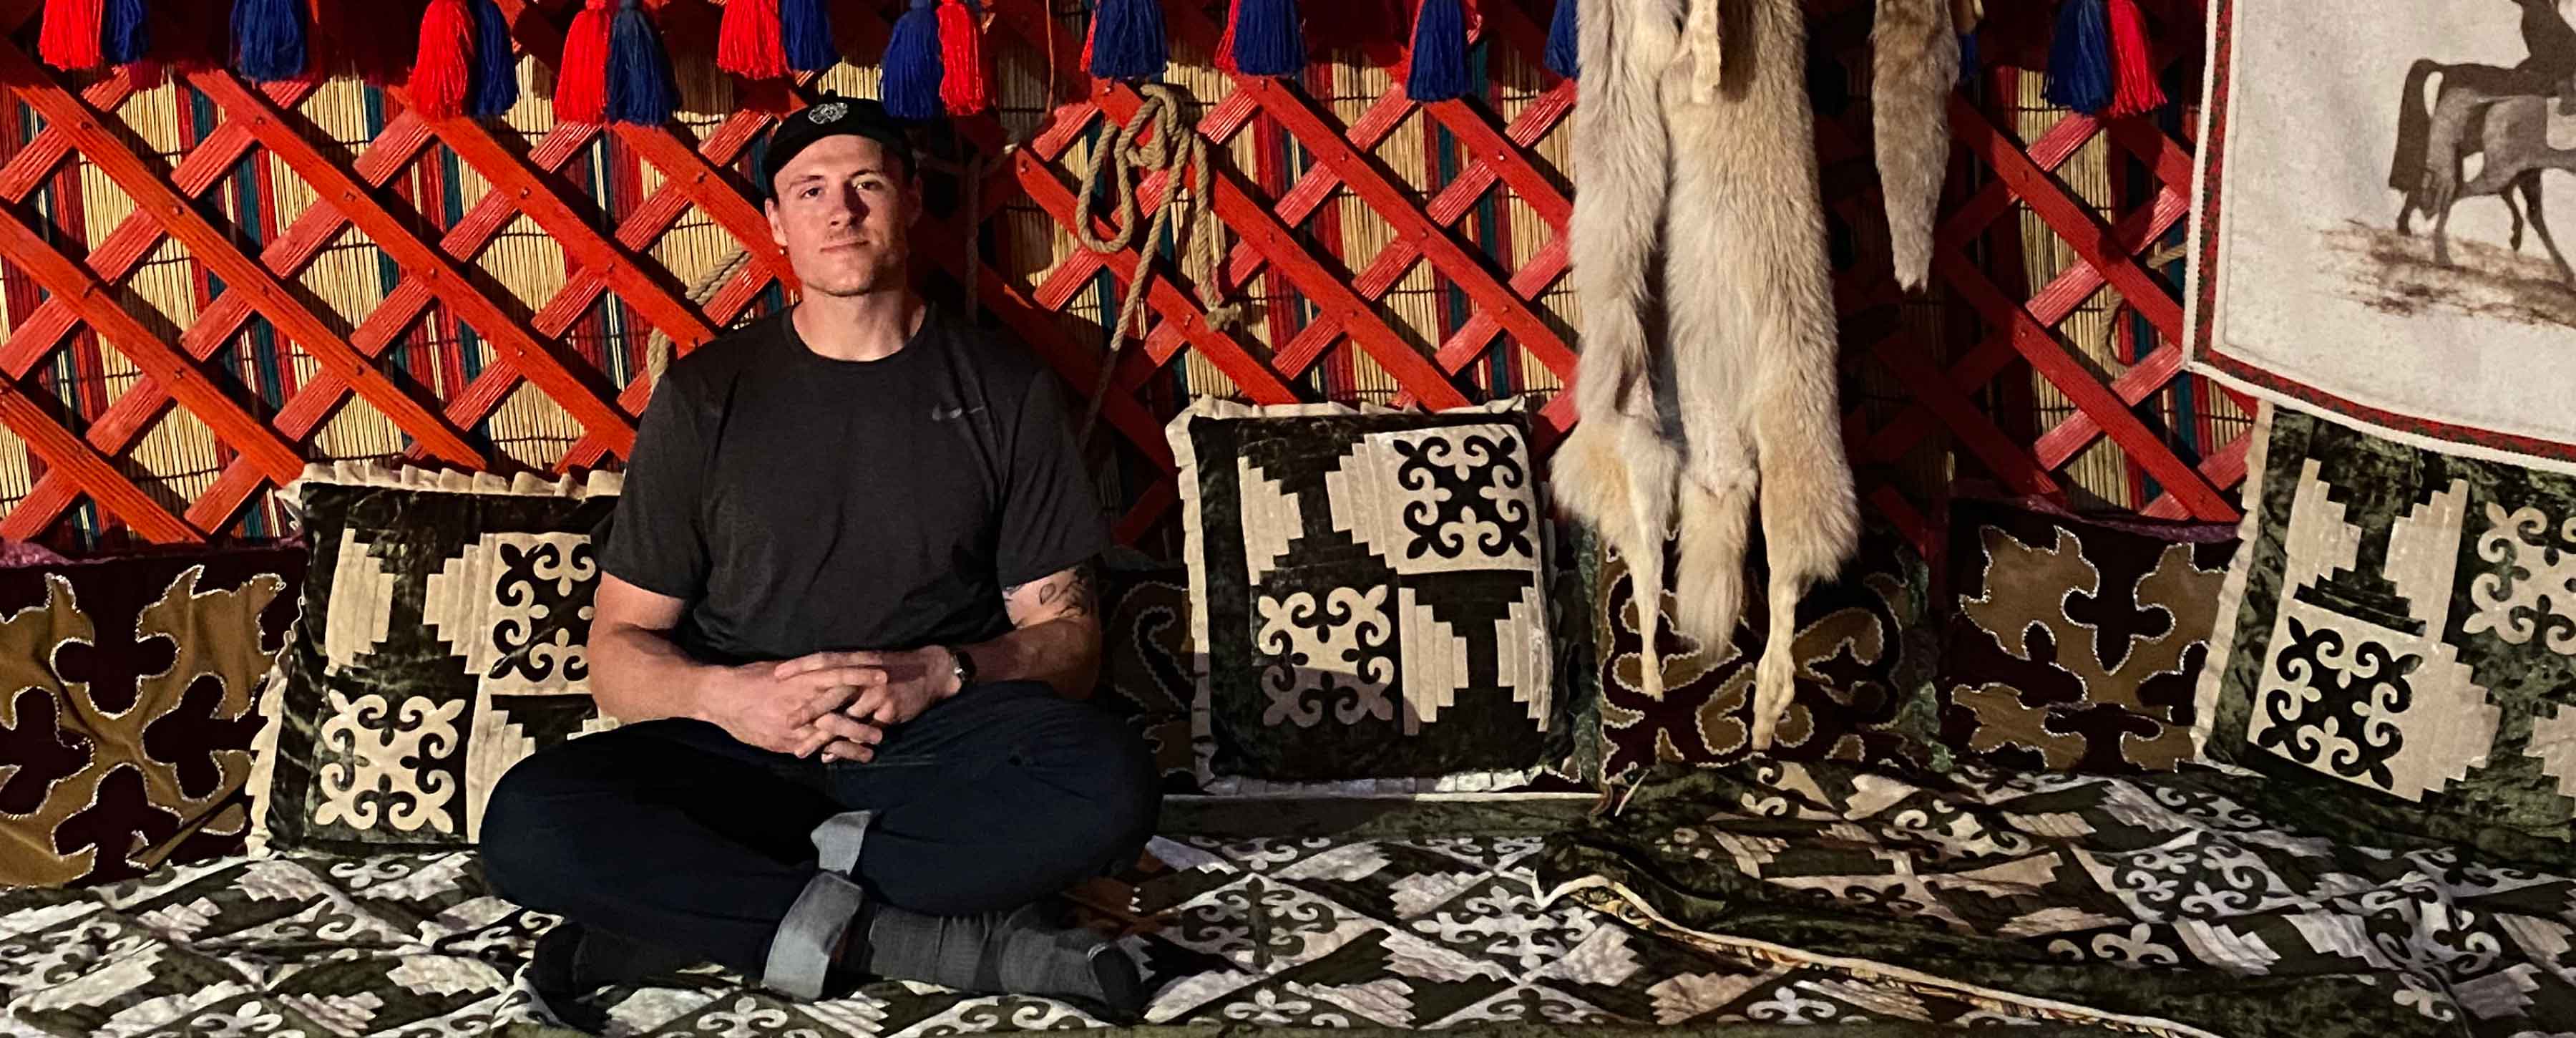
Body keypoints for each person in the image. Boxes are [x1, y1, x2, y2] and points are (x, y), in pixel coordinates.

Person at [477, 95, 1159, 1021]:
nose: (840, 210)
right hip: (742, 749)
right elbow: (618, 647)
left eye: (866, 183)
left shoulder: (1004, 388)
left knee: (1110, 782)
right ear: (777, 222)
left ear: (912, 202)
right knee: (527, 821)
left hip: (935, 743)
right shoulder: (707, 395)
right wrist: (732, 698)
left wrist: (944, 671)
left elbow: (1070, 640)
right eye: (811, 189)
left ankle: (696, 917)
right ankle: (941, 942)